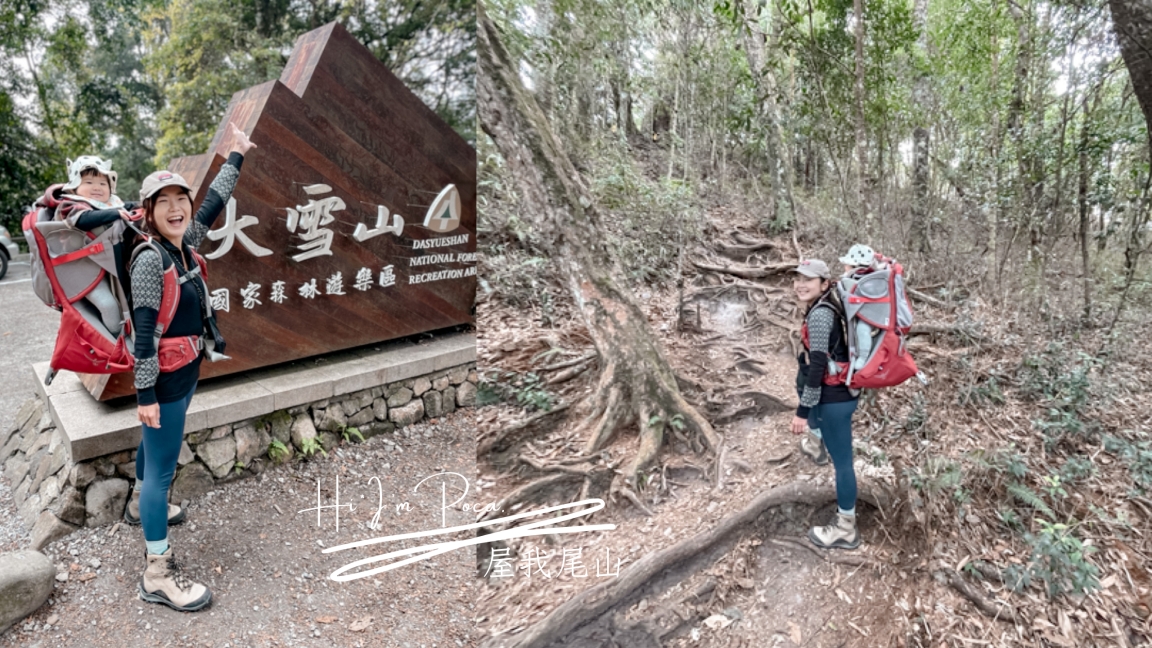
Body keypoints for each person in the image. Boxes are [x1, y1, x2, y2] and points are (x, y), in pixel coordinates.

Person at [70, 122, 253, 611]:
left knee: (155, 462)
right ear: (147, 211)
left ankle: (138, 508)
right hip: (166, 380)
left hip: (185, 369)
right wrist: (146, 396)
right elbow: (145, 338)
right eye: (164, 201)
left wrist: (236, 155)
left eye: (182, 200)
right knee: (161, 473)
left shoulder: (183, 244)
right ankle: (157, 572)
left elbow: (213, 205)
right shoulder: (151, 258)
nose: (177, 209)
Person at [791, 259, 862, 549]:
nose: (800, 284)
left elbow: (818, 367)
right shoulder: (826, 305)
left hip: (834, 400)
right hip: (836, 395)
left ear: (824, 283)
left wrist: (801, 412)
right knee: (836, 452)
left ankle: (846, 528)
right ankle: (816, 443)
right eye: (797, 278)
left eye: (809, 279)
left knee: (844, 464)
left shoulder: (821, 314)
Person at [51, 156, 131, 334]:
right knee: (109, 306)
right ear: (74, 186)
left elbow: (129, 207)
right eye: (88, 182)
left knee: (127, 300)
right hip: (80, 270)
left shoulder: (110, 205)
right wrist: (115, 214)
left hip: (105, 267)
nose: (97, 187)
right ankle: (115, 344)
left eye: (103, 184)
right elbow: (82, 220)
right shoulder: (70, 205)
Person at [838, 243, 884, 370]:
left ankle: (863, 357)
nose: (844, 267)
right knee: (858, 331)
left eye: (846, 265)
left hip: (872, 314)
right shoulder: (860, 277)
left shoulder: (867, 278)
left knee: (862, 329)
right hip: (862, 311)